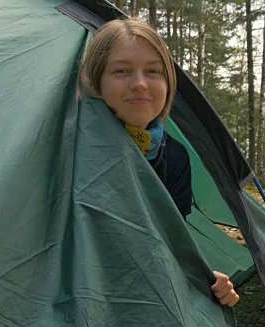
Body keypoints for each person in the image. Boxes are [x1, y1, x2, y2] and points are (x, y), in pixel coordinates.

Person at [77, 18, 239, 308]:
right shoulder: (71, 146)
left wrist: (205, 280)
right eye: (121, 71)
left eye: (153, 71)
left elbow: (171, 245)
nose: (139, 84)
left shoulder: (174, 156)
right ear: (96, 81)